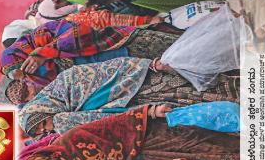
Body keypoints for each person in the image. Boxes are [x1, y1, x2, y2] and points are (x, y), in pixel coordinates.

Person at [19, 106, 240, 160]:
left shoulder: (70, 140)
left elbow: (110, 124)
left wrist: (150, 112)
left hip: (149, 143)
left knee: (208, 146)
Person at [18, 57, 240, 136]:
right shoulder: (66, 80)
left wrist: (148, 112)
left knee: (206, 99)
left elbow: (107, 118)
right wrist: (147, 65)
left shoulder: (63, 117)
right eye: (43, 132)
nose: (49, 129)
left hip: (150, 98)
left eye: (44, 124)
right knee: (211, 89)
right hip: (149, 82)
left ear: (43, 111)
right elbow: (115, 67)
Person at [0, 20, 138, 105]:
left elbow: (83, 30)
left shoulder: (43, 34)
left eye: (26, 91)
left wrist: (44, 53)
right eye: (27, 99)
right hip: (126, 70)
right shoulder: (44, 83)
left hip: (119, 42)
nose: (31, 95)